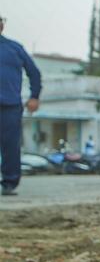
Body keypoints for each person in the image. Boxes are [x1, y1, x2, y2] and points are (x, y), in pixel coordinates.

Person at [0, 15, 42, 196]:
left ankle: (9, 182)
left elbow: (34, 73)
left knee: (10, 146)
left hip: (10, 105)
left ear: (2, 26)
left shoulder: (14, 48)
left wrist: (34, 97)